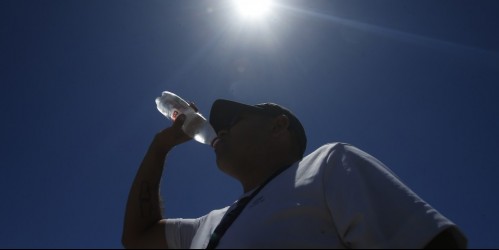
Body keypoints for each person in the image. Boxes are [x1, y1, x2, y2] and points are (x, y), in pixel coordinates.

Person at [122, 99, 467, 249]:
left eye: (235, 120)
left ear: (278, 126)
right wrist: (160, 147)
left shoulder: (328, 166)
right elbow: (137, 238)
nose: (220, 130)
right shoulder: (208, 226)